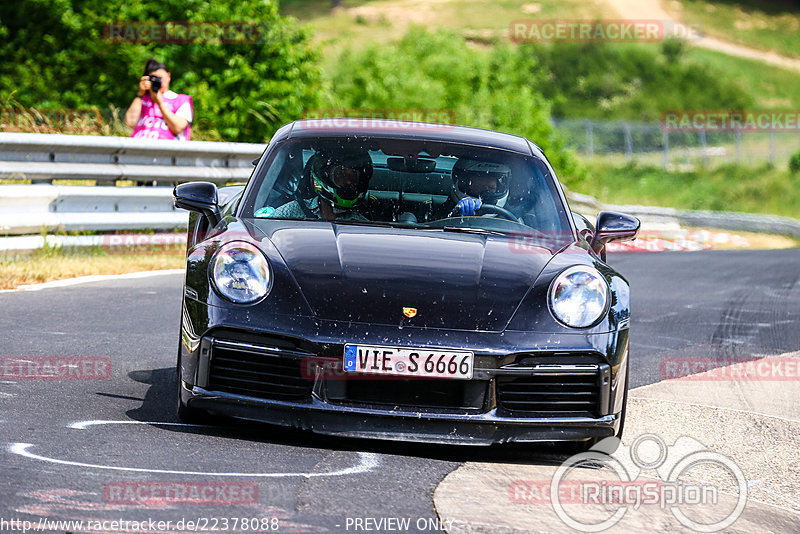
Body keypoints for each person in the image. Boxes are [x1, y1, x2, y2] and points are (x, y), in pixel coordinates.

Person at [263, 149, 373, 221]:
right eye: (341, 174)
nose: (349, 181)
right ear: (325, 177)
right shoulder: (289, 213)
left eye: (353, 175)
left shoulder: (362, 223)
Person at [125, 58, 193, 141]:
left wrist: (160, 103)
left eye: (160, 78)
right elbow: (130, 122)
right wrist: (140, 93)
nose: (158, 82)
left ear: (168, 76)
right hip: (140, 149)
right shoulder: (142, 99)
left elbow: (177, 127)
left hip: (166, 151)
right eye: (154, 79)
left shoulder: (181, 100)